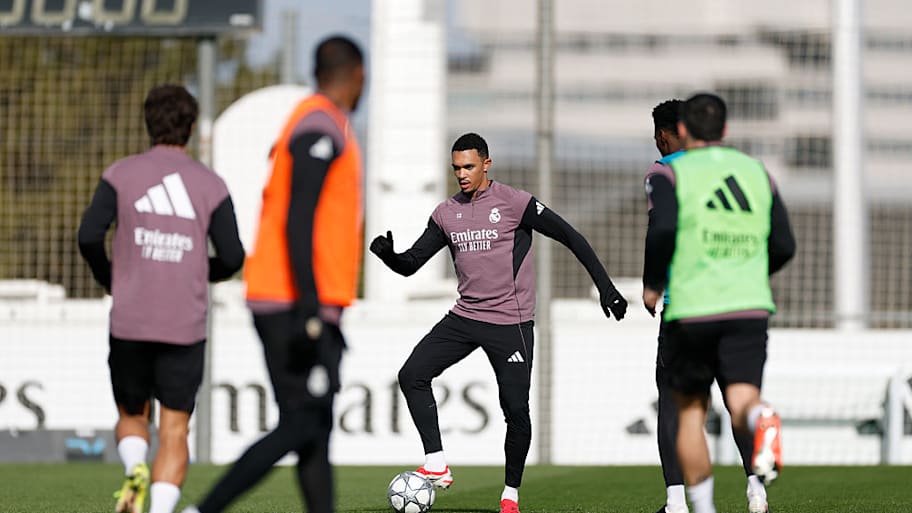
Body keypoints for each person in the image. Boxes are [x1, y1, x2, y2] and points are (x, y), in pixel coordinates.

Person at [369, 132, 628, 513]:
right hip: (465, 316)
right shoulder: (446, 213)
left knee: (516, 410)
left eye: (469, 166)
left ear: (486, 164)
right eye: (456, 167)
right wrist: (389, 256)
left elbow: (571, 236)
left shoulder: (514, 203)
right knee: (412, 374)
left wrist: (606, 288)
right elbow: (411, 264)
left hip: (512, 322)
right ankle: (437, 465)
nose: (461, 174)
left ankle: (510, 495)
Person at [180, 35, 365, 513]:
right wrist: (309, 307)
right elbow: (297, 218)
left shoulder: (315, 121)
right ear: (359, 76)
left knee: (314, 430)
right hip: (293, 301)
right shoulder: (320, 127)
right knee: (303, 423)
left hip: (292, 298)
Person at [77, 84, 245, 513]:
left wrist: (110, 278)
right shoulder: (210, 184)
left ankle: (135, 466)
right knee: (174, 428)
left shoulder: (121, 174)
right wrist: (196, 272)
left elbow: (89, 236)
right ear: (190, 128)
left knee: (133, 416)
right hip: (183, 324)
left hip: (130, 319)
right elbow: (233, 256)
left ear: (147, 124)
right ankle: (161, 508)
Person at [642, 93, 796, 513]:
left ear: (684, 131)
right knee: (742, 401)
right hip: (748, 307)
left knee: (687, 409)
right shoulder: (756, 172)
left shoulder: (668, 174)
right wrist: (747, 275)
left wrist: (653, 283)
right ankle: (756, 487)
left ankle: (686, 505)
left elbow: (662, 230)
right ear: (725, 130)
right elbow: (783, 244)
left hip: (691, 306)